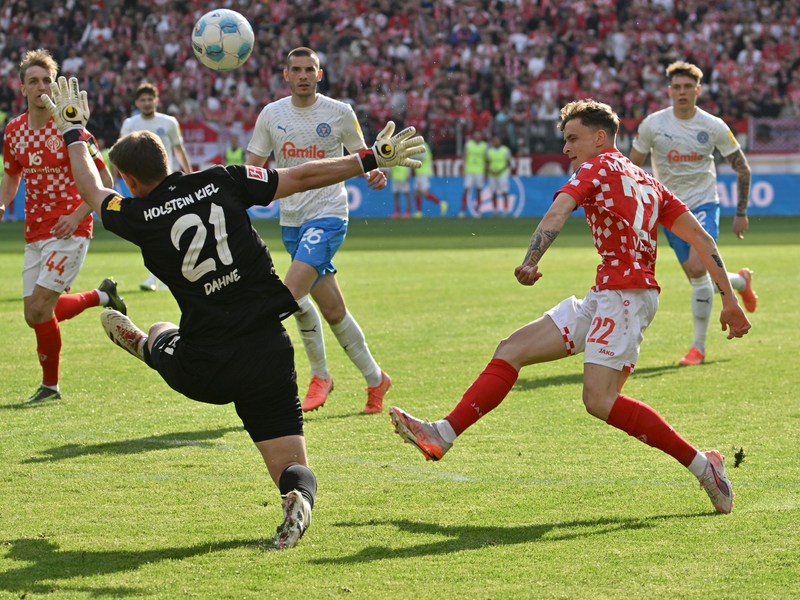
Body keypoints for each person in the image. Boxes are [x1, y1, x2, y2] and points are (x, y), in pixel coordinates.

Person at [42, 76, 422, 548]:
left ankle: (146, 346)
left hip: (204, 362)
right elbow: (300, 177)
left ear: (132, 182)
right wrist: (369, 158)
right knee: (289, 467)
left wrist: (74, 130)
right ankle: (298, 499)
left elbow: (92, 190)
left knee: (162, 329)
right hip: (268, 351)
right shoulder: (222, 179)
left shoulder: (137, 216)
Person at [389, 99, 752, 515]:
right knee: (512, 348)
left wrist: (531, 260)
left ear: (600, 138)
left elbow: (559, 209)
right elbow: (703, 240)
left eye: (572, 139)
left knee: (599, 400)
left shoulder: (594, 168)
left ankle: (706, 468)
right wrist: (730, 300)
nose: (566, 148)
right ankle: (442, 434)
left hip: (626, 297)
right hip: (609, 294)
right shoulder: (649, 182)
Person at [246, 47, 392, 414]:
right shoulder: (272, 114)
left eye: (309, 69)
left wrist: (374, 170)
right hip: (291, 219)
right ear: (286, 74)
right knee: (332, 309)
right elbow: (252, 167)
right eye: (296, 70)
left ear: (320, 74)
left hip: (328, 214)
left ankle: (320, 377)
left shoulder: (340, 113)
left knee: (290, 295)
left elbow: (362, 156)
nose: (303, 76)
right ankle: (376, 379)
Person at [0, 49, 126, 404]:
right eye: (34, 81)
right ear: (21, 88)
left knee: (40, 307)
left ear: (55, 86)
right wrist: (3, 202)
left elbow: (104, 179)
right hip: (35, 229)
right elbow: (11, 176)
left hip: (71, 226)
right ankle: (102, 296)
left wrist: (78, 214)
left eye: (47, 81)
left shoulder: (72, 126)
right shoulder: (13, 131)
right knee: (34, 313)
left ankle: (51, 387)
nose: (41, 87)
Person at [629, 61, 757, 366]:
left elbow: (743, 168)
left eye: (688, 87)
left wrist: (741, 213)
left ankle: (698, 347)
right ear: (670, 90)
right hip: (668, 210)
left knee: (699, 270)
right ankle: (739, 281)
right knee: (696, 273)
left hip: (703, 205)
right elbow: (631, 168)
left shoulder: (713, 126)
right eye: (677, 87)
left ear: (698, 90)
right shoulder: (653, 125)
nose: (682, 92)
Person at [116, 83, 193, 293]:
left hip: (167, 183)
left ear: (156, 101)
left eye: (150, 99)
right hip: (141, 186)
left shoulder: (168, 122)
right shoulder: (130, 124)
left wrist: (189, 175)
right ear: (136, 103)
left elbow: (179, 149)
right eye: (143, 100)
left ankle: (155, 278)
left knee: (168, 227)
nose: (147, 103)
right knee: (155, 230)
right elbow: (122, 153)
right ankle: (163, 276)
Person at [412, 141, 447, 218]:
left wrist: (412, 157)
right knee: (417, 192)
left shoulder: (424, 146)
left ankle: (441, 203)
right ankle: (419, 212)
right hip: (419, 172)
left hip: (424, 172)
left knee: (424, 193)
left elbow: (422, 157)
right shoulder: (418, 146)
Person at [458, 129, 487, 217]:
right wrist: (463, 168)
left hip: (480, 171)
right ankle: (462, 211)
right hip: (469, 170)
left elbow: (486, 160)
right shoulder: (468, 144)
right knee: (466, 190)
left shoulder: (484, 146)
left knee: (478, 191)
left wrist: (486, 172)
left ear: (481, 136)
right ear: (473, 136)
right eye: (476, 134)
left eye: (479, 134)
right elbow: (465, 156)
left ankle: (478, 211)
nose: (477, 136)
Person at [486, 135, 512, 216]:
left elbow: (508, 162)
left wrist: (500, 170)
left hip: (502, 174)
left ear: (500, 141)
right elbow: (487, 162)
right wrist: (490, 170)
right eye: (494, 140)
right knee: (493, 192)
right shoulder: (489, 151)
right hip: (492, 174)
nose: (496, 142)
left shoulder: (505, 150)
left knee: (504, 191)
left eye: (497, 140)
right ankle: (495, 210)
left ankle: (506, 210)